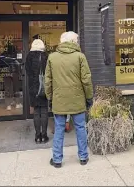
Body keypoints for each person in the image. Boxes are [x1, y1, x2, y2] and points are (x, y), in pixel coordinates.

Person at [45, 31, 93, 168]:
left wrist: (50, 97)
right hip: (77, 99)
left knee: (59, 129)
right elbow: (86, 80)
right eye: (77, 40)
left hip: (59, 99)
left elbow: (47, 81)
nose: (78, 42)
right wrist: (89, 97)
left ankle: (57, 160)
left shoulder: (52, 57)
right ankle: (83, 157)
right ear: (73, 42)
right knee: (80, 128)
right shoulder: (80, 57)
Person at [25, 39, 49, 144]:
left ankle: (37, 136)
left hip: (33, 87)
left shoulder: (29, 56)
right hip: (44, 87)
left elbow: (27, 71)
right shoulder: (45, 56)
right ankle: (44, 135)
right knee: (44, 111)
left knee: (36, 112)